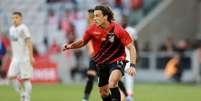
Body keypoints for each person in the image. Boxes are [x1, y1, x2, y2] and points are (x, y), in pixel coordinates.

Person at [63, 5, 137, 101]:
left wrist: (132, 65)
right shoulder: (92, 29)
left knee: (112, 82)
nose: (95, 18)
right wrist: (70, 46)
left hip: (117, 61)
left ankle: (126, 96)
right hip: (101, 63)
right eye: (94, 16)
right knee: (103, 92)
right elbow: (83, 42)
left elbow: (131, 47)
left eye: (97, 15)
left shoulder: (117, 28)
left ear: (105, 17)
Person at [82, 9, 129, 101]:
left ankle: (127, 96)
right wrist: (91, 50)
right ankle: (85, 98)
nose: (88, 17)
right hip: (95, 57)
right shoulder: (90, 28)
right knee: (91, 77)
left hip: (107, 57)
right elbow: (87, 41)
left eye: (90, 16)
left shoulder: (106, 26)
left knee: (114, 80)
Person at [7, 12, 35, 101]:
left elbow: (29, 42)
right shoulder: (11, 29)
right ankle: (23, 93)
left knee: (26, 79)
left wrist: (31, 57)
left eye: (16, 17)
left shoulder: (23, 28)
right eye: (13, 18)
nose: (14, 19)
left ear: (21, 18)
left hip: (24, 58)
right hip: (15, 58)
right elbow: (14, 43)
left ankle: (26, 97)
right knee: (11, 78)